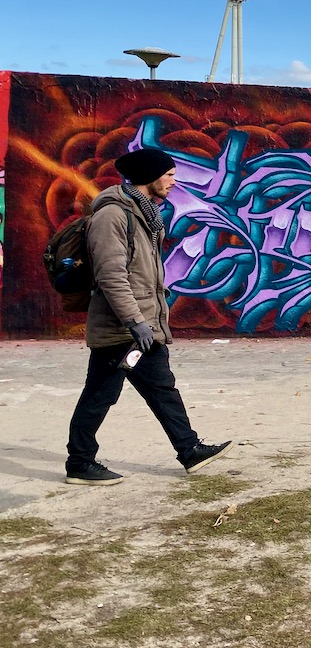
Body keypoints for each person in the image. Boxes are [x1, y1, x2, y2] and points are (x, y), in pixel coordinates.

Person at [64, 148, 232, 485]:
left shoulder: (144, 216)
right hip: (121, 329)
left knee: (162, 388)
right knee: (100, 394)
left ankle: (189, 450)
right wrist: (134, 321)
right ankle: (80, 463)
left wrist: (148, 323)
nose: (174, 180)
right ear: (150, 177)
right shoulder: (113, 216)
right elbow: (112, 276)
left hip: (144, 327)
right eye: (169, 175)